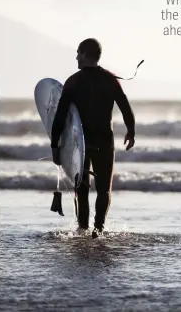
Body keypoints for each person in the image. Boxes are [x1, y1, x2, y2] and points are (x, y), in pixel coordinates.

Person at [50, 38, 136, 238]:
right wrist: (131, 130)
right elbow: (125, 106)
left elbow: (60, 116)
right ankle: (98, 229)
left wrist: (55, 145)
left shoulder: (73, 81)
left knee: (82, 187)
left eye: (78, 53)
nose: (76, 57)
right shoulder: (110, 79)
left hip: (81, 142)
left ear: (85, 54)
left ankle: (82, 228)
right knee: (104, 189)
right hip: (105, 140)